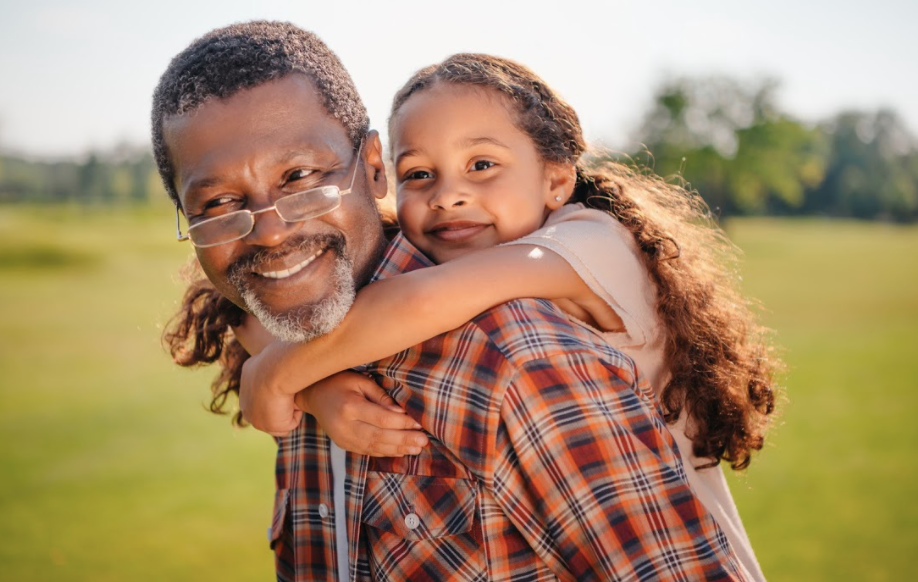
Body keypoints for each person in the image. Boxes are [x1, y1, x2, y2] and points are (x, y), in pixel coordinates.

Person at [156, 21, 750, 581]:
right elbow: (244, 315)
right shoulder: (314, 315)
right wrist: (311, 388)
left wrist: (284, 375)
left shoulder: (534, 336)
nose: (270, 233)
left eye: (299, 178)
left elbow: (418, 304)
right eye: (217, 205)